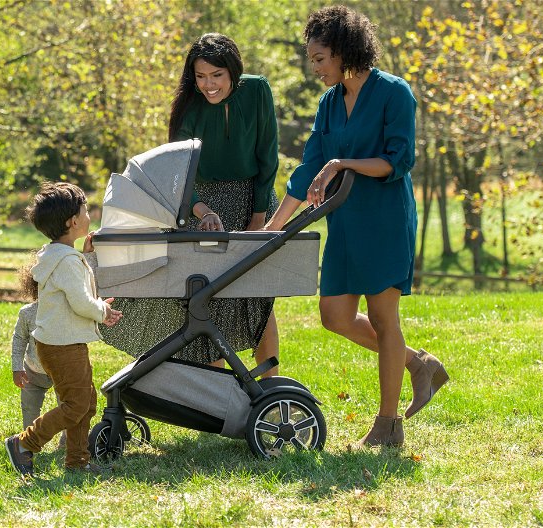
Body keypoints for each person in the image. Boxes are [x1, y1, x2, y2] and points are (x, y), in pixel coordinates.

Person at [264, 5, 448, 448]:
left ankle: (388, 427)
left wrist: (343, 162)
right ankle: (418, 364)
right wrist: (274, 226)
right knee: (335, 316)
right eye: (311, 59)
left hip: (385, 219)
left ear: (345, 51)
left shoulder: (394, 93)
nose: (315, 68)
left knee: (385, 319)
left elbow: (399, 159)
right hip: (344, 222)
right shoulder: (329, 103)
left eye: (320, 58)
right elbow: (310, 164)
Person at [100, 32, 281, 375]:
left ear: (233, 72)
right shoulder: (189, 107)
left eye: (216, 76)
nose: (208, 85)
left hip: (254, 198)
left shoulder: (257, 90)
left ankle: (269, 384)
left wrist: (258, 220)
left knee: (259, 295)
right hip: (204, 205)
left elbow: (267, 157)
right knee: (209, 297)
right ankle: (217, 387)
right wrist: (203, 211)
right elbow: (178, 173)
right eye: (200, 76)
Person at [3, 182, 122, 477]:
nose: (89, 215)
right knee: (75, 404)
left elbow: (76, 289)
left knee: (85, 403)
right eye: (85, 211)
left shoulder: (57, 254)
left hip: (60, 343)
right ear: (73, 222)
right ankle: (23, 443)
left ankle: (77, 462)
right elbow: (81, 301)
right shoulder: (67, 261)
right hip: (62, 346)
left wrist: (87, 260)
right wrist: (103, 310)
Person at [9, 275, 64, 448]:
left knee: (69, 406)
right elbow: (19, 339)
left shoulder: (65, 312)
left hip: (62, 372)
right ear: (35, 288)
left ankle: (68, 441)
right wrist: (17, 368)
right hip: (32, 371)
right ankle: (30, 442)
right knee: (29, 408)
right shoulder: (27, 313)